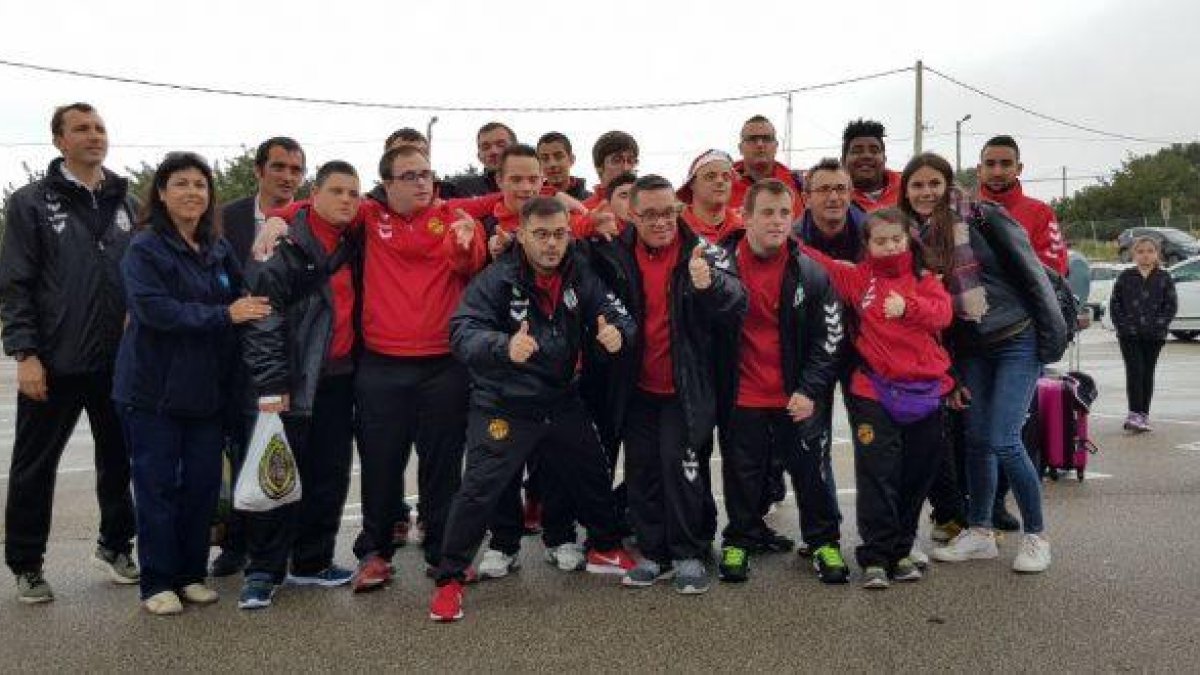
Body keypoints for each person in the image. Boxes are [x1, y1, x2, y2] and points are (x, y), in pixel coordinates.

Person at [429, 196, 639, 622]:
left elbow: (621, 316)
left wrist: (618, 334)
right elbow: (462, 331)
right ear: (522, 235)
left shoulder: (581, 272)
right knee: (479, 490)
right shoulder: (496, 278)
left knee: (592, 471)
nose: (551, 244)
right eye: (541, 235)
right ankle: (450, 579)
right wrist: (503, 345)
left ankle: (604, 546)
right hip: (504, 404)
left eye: (560, 234)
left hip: (561, 399)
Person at [113, 152, 272, 615]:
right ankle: (157, 581)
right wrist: (224, 314)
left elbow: (244, 295)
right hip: (153, 392)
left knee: (202, 487)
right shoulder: (145, 247)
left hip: (205, 391)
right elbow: (154, 310)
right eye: (180, 183)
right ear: (161, 193)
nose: (191, 193)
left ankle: (190, 574)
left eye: (200, 185)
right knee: (157, 487)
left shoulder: (216, 247)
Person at [901, 153, 1068, 575]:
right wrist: (951, 374)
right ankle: (979, 532)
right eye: (916, 185)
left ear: (948, 185)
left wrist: (1050, 339)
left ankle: (1036, 537)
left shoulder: (982, 217)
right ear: (906, 191)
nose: (925, 192)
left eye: (933, 184)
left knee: (1004, 439)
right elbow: (938, 317)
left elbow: (1033, 274)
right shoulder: (914, 238)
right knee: (975, 439)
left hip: (1016, 338)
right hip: (972, 347)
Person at [1, 102, 139, 604]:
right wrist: (25, 353)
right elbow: (16, 284)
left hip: (116, 362)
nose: (93, 135)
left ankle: (116, 545)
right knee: (35, 466)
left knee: (119, 461)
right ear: (59, 140)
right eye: (81, 128)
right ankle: (26, 563)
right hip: (54, 362)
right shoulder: (31, 202)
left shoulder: (127, 201)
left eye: (100, 127)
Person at [588, 174, 747, 594]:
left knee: (684, 471)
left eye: (669, 212)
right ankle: (654, 553)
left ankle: (688, 552)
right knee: (643, 472)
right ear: (632, 214)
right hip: (636, 387)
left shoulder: (702, 251)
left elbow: (737, 299)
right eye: (650, 214)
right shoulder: (615, 254)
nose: (661, 222)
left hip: (686, 388)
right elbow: (587, 279)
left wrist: (710, 285)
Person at [801, 207, 954, 589]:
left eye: (896, 240)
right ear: (867, 245)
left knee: (915, 476)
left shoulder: (925, 278)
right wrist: (784, 232)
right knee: (877, 475)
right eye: (880, 241)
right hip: (874, 392)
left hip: (925, 393)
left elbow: (943, 314)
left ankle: (902, 550)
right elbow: (817, 260)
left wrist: (908, 307)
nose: (889, 247)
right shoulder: (858, 278)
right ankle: (874, 556)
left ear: (909, 240)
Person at [237, 161, 364, 609]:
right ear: (315, 195)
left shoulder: (354, 242)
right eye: (337, 191)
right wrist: (272, 386)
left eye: (354, 192)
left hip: (340, 379)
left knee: (328, 474)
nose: (347, 199)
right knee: (277, 474)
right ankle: (262, 571)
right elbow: (264, 321)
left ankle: (312, 561)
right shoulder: (284, 247)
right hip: (290, 381)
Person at [714, 179, 847, 584]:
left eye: (784, 213)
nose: (776, 221)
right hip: (742, 396)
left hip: (797, 398)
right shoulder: (718, 266)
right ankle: (740, 538)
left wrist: (809, 390)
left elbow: (831, 338)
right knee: (742, 473)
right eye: (767, 212)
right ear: (746, 216)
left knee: (812, 473)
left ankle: (824, 542)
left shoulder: (811, 271)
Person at [212, 136, 306, 578]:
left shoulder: (305, 217)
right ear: (258, 170)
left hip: (283, 356)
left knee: (276, 449)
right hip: (229, 352)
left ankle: (274, 548)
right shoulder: (225, 217)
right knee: (236, 449)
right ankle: (234, 542)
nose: (288, 177)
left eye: (296, 170)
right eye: (279, 167)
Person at [1110, 236, 1178, 433]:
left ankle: (1144, 415)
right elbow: (1115, 305)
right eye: (1140, 251)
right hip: (1129, 336)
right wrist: (1124, 327)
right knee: (1135, 372)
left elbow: (1170, 306)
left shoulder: (1164, 278)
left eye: (1149, 251)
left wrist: (1158, 326)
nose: (1145, 255)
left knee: (1147, 373)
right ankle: (1134, 414)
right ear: (1134, 254)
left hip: (1154, 336)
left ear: (1157, 254)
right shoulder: (1125, 277)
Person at [977, 135, 1068, 275]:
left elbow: (1056, 272)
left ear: (1019, 168)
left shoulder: (1041, 213)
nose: (997, 172)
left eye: (1006, 164)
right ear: (979, 169)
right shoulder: (961, 212)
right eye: (990, 164)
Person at [794, 158, 868, 263]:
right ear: (806, 199)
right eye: (824, 189)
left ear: (851, 196)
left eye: (841, 188)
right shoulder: (790, 243)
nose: (834, 197)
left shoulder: (872, 235)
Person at [731, 115, 805, 216]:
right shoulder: (723, 184)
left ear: (776, 146)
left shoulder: (799, 184)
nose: (760, 144)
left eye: (766, 138)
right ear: (740, 148)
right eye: (752, 139)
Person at [677, 149, 744, 243]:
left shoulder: (745, 229)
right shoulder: (676, 230)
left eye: (726, 177)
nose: (720, 181)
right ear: (692, 184)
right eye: (710, 176)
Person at [842, 119, 902, 212]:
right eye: (857, 151)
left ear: (885, 159)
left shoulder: (907, 191)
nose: (867, 156)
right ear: (843, 161)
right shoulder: (832, 198)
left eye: (874, 151)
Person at [450, 122, 516, 196]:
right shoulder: (464, 189)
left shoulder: (531, 188)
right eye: (486, 147)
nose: (493, 151)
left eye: (501, 145)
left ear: (517, 149)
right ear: (479, 156)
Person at [582, 131, 639, 210]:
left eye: (630, 160)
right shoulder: (584, 211)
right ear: (599, 166)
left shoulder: (648, 205)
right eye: (617, 160)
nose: (626, 168)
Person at [537, 132, 592, 200]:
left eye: (558, 157)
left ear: (571, 159)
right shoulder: (530, 203)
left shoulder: (593, 203)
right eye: (545, 159)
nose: (552, 164)